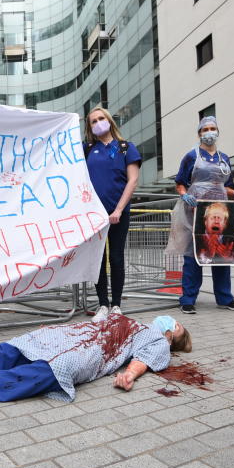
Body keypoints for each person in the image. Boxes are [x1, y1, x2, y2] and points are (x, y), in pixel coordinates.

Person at [0, 314, 192, 402]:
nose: (170, 321)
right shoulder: (134, 319)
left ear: (172, 338)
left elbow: (141, 359)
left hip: (96, 350)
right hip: (77, 333)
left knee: (52, 370)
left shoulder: (158, 342)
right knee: (12, 348)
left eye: (176, 325)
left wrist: (128, 375)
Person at [167, 116, 234, 314]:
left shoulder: (224, 158)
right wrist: (185, 196)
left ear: (218, 132)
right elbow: (180, 182)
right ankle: (187, 299)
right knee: (193, 255)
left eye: (213, 128)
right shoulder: (191, 156)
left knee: (221, 253)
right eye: (205, 129)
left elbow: (225, 186)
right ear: (199, 133)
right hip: (195, 211)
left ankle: (225, 298)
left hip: (219, 209)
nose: (209, 132)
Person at [83, 106, 141, 322]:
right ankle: (103, 305)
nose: (97, 123)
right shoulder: (87, 149)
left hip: (118, 213)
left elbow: (132, 180)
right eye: (92, 121)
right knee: (98, 259)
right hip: (94, 216)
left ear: (109, 121)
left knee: (116, 258)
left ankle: (116, 305)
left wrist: (118, 209)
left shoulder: (126, 148)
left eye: (101, 119)